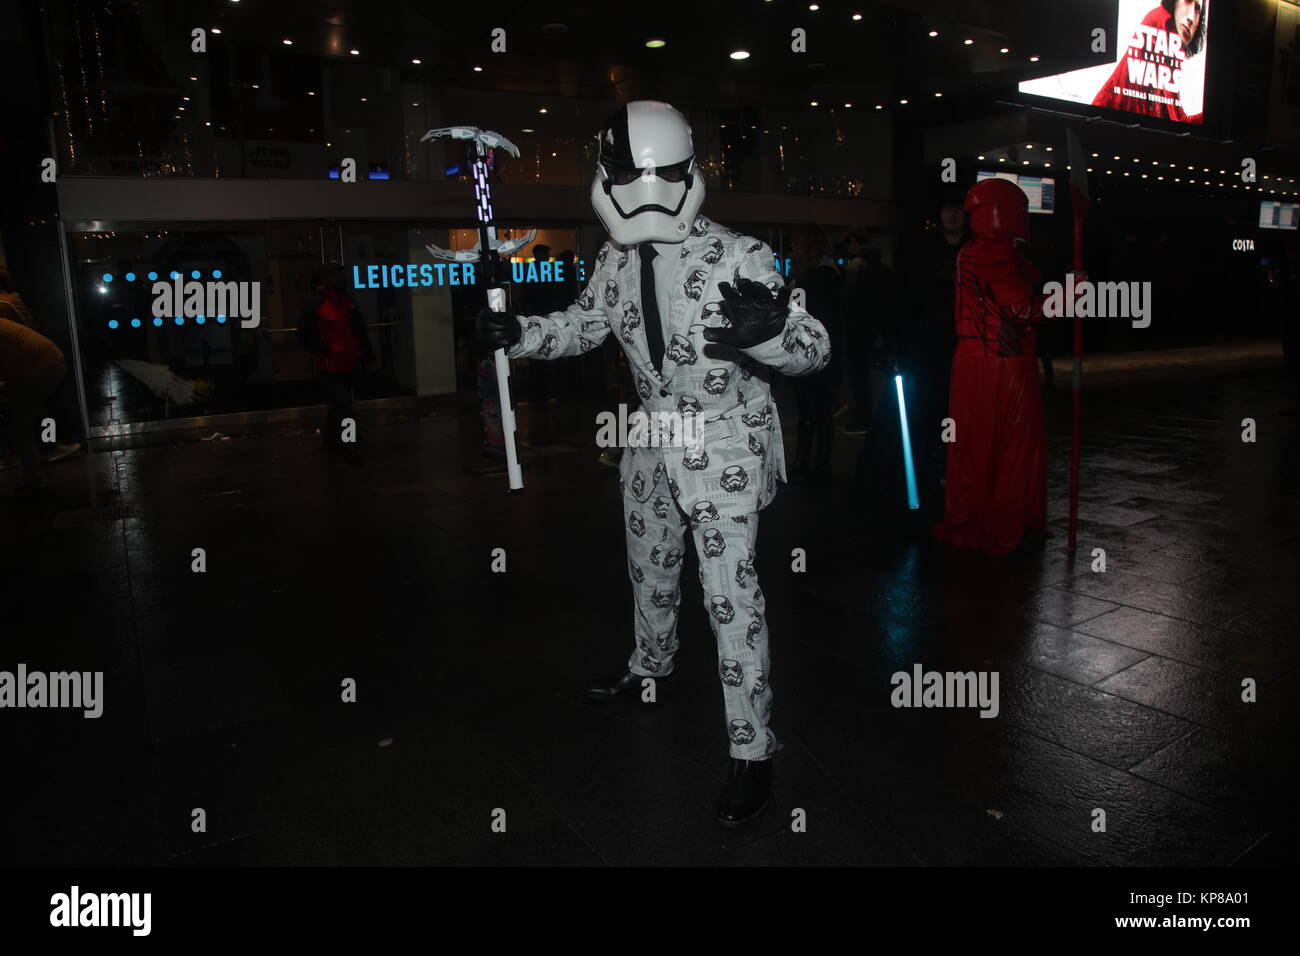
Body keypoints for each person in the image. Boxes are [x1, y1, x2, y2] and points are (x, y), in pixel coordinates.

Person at [477, 100, 829, 827]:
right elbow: (583, 325)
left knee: (732, 600)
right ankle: (652, 667)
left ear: (688, 170)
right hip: (648, 439)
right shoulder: (611, 257)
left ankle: (752, 749)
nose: (645, 189)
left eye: (661, 173)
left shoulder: (741, 254)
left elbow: (814, 349)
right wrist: (518, 332)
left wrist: (771, 336)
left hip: (724, 443)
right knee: (651, 565)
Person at [932, 178, 1057, 555]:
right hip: (1003, 366)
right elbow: (1021, 310)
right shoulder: (994, 253)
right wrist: (1070, 296)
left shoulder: (973, 252)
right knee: (1009, 447)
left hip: (975, 363)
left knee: (973, 446)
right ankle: (1001, 521)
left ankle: (979, 515)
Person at [299, 262, 376, 465]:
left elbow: (359, 329)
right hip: (329, 365)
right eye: (336, 274)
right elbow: (303, 333)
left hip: (349, 362)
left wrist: (367, 353)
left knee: (340, 404)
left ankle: (331, 437)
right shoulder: (316, 303)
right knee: (344, 405)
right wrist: (321, 347)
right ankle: (351, 443)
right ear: (324, 279)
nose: (341, 278)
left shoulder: (346, 300)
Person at [1091, 0, 1208, 124]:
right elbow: (1167, 120)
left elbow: (1171, 116)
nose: (1190, 17)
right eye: (1187, 1)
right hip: (1108, 126)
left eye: (1197, 9)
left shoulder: (1166, 28)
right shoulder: (1162, 21)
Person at [788, 224, 842, 481]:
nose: (792, 248)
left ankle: (818, 464)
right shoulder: (815, 273)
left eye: (796, 244)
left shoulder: (821, 275)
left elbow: (813, 315)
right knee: (811, 410)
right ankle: (810, 462)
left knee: (817, 410)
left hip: (817, 353)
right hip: (810, 351)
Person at [0, 313, 66, 497]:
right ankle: (45, 453)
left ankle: (34, 481)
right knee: (24, 423)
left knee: (19, 428)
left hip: (36, 369)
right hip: (44, 363)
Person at [838, 229, 887, 436]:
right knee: (866, 377)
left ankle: (862, 420)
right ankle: (869, 418)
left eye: (850, 243)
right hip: (873, 325)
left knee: (858, 376)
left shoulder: (856, 266)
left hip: (857, 326)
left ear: (855, 242)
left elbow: (846, 296)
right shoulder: (880, 265)